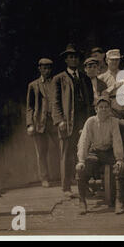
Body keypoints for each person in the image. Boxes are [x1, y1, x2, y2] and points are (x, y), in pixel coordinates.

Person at [52, 44, 94, 198]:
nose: (73, 59)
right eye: (70, 57)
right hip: (67, 122)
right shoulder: (59, 79)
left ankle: (84, 185)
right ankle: (66, 187)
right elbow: (55, 102)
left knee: (84, 154)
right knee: (67, 154)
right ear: (66, 60)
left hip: (84, 122)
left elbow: (90, 102)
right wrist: (60, 121)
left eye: (76, 56)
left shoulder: (84, 78)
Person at [75, 95, 124, 215]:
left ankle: (119, 201)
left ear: (109, 109)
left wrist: (119, 158)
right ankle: (82, 201)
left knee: (120, 167)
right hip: (95, 151)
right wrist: (81, 160)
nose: (103, 109)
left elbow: (117, 140)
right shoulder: (90, 121)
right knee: (81, 169)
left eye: (106, 107)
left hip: (108, 151)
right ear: (96, 109)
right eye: (101, 107)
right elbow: (84, 141)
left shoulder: (113, 121)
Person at [26, 58, 59, 188]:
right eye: (44, 68)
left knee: (63, 149)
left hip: (55, 122)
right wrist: (30, 124)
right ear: (39, 69)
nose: (47, 71)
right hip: (40, 122)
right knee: (41, 152)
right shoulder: (33, 85)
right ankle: (44, 178)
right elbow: (30, 107)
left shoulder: (56, 83)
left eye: (49, 68)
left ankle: (67, 177)